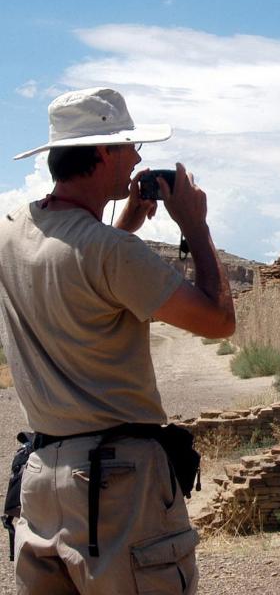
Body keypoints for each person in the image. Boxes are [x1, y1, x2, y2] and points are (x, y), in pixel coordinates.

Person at [0, 87, 235, 594]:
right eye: (130, 146)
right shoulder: (111, 254)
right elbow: (217, 321)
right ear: (103, 151)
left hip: (41, 478)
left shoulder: (12, 230)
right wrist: (194, 225)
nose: (137, 158)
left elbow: (79, 271)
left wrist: (125, 221)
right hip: (118, 484)